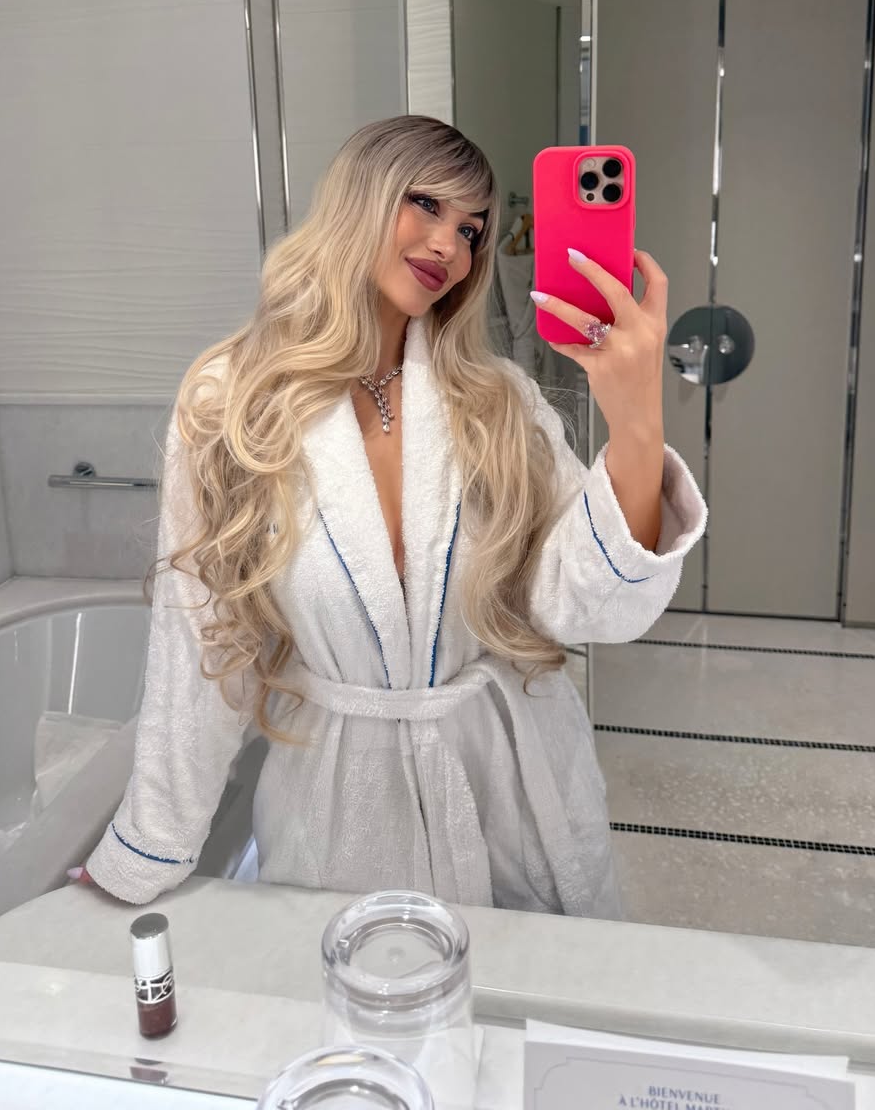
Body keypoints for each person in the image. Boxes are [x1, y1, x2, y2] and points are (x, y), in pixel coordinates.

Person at [77, 116, 706, 914]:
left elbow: (591, 608)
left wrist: (636, 418)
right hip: (341, 811)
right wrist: (147, 849)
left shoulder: (498, 403)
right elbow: (201, 645)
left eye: (471, 229)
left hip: (512, 787)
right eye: (426, 204)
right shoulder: (232, 403)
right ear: (360, 199)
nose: (450, 246)